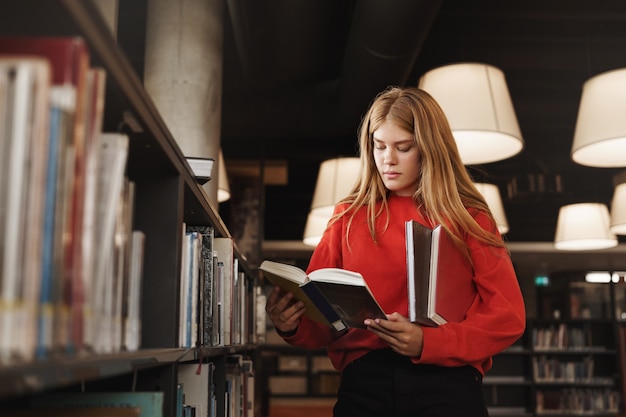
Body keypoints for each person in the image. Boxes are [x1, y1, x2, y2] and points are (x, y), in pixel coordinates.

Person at [265, 86, 526, 416]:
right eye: (379, 146)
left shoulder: (469, 215)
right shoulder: (348, 216)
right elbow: (324, 322)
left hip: (448, 384)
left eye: (403, 148)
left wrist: (429, 343)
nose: (388, 159)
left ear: (430, 149)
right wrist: (291, 325)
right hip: (365, 385)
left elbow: (507, 317)